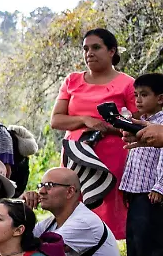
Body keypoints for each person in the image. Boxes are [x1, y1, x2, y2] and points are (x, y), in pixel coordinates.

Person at [50, 28, 137, 239]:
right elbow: (56, 120)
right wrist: (84, 120)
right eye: (85, 48)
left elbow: (138, 125)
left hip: (111, 160)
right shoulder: (72, 81)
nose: (89, 53)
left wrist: (109, 127)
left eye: (96, 47)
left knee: (108, 217)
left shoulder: (127, 84)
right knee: (73, 212)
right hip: (76, 158)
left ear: (111, 51)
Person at [22, 168, 126, 256]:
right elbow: (15, 242)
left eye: (49, 186)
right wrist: (21, 211)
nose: (41, 191)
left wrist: (21, 216)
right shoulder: (50, 223)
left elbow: (31, 254)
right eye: (41, 186)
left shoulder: (84, 222)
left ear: (70, 191)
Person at [119, 73, 163, 256]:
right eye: (136, 95)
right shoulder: (143, 123)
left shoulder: (161, 125)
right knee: (135, 233)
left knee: (151, 233)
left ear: (161, 98)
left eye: (144, 95)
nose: (137, 100)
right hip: (135, 189)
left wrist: (160, 187)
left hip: (151, 190)